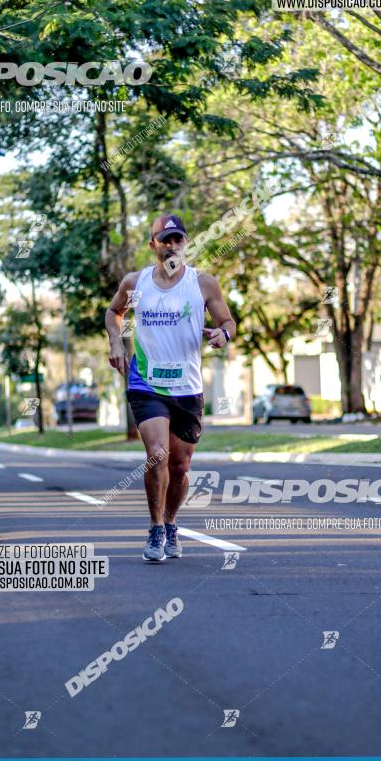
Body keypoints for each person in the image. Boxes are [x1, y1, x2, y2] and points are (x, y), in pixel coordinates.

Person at [105, 214, 236, 562]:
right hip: (146, 382)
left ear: (186, 244)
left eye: (178, 240)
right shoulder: (136, 283)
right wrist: (117, 343)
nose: (172, 246)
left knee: (180, 466)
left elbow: (228, 321)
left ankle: (171, 521)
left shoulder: (204, 284)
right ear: (153, 246)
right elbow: (112, 312)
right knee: (157, 454)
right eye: (165, 240)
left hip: (187, 387)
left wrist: (223, 334)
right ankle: (155, 528)